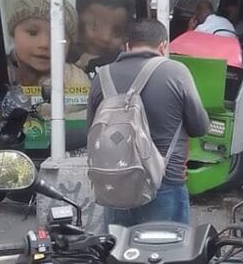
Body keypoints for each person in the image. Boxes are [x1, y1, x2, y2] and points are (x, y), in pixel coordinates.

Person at [87, 19, 209, 226]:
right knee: (167, 245)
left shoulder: (102, 77)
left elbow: (92, 131)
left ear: (127, 45)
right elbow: (200, 127)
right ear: (163, 46)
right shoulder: (176, 72)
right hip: (164, 183)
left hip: (116, 187)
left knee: (119, 246)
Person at [6, 0, 90, 89]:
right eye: (32, 33)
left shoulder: (74, 80)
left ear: (70, 45)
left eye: (57, 36)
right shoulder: (2, 72)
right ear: (13, 35)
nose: (44, 44)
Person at [74, 0, 132, 72]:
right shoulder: (63, 61)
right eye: (94, 26)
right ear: (78, 26)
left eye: (117, 32)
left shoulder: (126, 66)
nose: (105, 38)